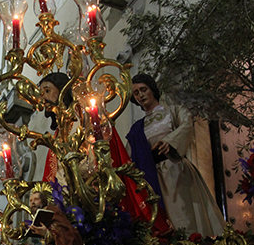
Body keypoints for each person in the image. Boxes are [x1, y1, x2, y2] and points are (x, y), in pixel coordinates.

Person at [31, 72, 164, 232]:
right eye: (41, 93)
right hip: (70, 197)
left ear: (63, 90)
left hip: (93, 190)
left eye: (47, 91)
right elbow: (56, 171)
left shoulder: (85, 118)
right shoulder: (60, 132)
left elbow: (97, 154)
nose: (43, 98)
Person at [126, 73, 225, 237]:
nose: (141, 95)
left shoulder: (173, 111)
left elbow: (186, 125)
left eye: (143, 90)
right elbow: (129, 154)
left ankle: (192, 243)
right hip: (151, 176)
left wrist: (170, 142)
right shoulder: (137, 129)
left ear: (152, 90)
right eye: (136, 93)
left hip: (175, 170)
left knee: (183, 213)